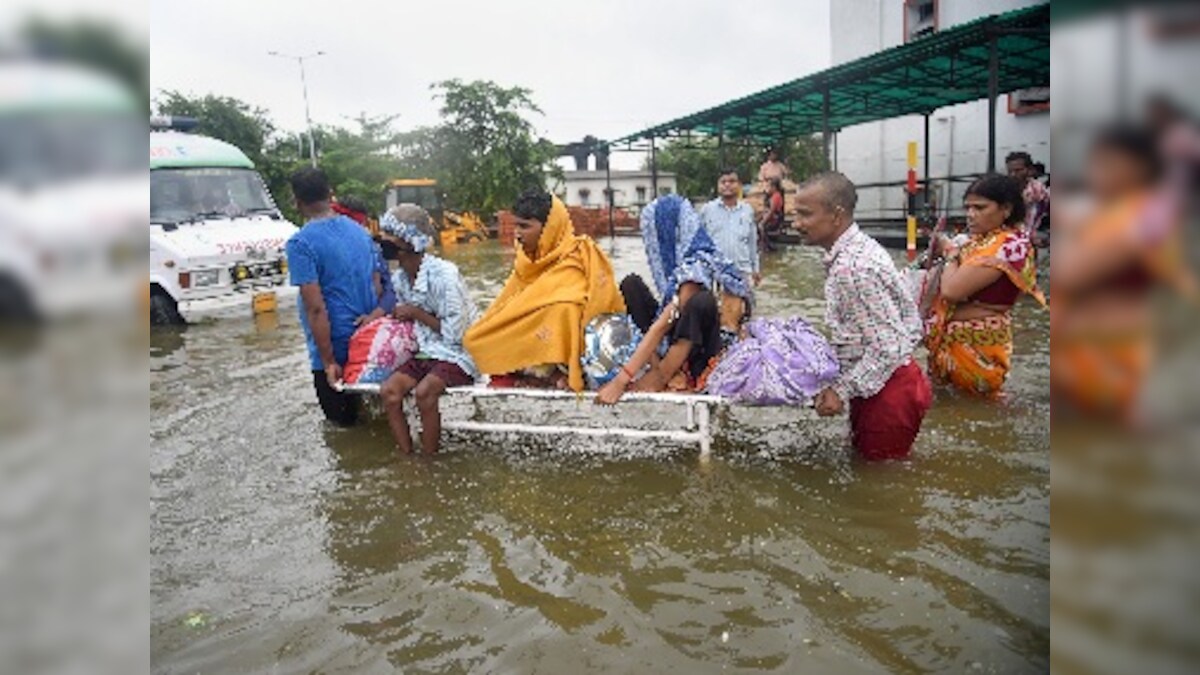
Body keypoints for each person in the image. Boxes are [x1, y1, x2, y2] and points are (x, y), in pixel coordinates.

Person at [1052, 126, 1195, 423]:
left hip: (1110, 344)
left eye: (1107, 164)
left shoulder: (1140, 216)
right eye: (1094, 163)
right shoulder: (1113, 213)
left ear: (1140, 167)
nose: (1096, 173)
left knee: (1110, 427)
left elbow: (1071, 274)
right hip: (1094, 342)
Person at [792, 171, 931, 461]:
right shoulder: (859, 250)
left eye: (805, 215)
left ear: (836, 216)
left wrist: (840, 391)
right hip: (888, 382)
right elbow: (907, 326)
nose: (797, 224)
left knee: (880, 487)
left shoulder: (852, 270)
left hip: (888, 391)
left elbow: (887, 347)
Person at [596, 194, 752, 404]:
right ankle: (661, 365)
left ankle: (669, 373)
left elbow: (661, 326)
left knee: (701, 302)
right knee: (631, 285)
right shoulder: (679, 268)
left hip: (707, 348)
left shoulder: (696, 267)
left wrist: (622, 380)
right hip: (678, 333)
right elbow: (664, 319)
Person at [464, 189, 624, 391]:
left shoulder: (578, 256)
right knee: (475, 338)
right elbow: (509, 305)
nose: (517, 233)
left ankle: (561, 371)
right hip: (535, 349)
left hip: (581, 353)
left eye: (525, 226)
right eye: (516, 226)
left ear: (550, 227)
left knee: (564, 308)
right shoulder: (526, 260)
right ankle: (532, 367)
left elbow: (589, 304)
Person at [925, 174, 1046, 397]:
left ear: (1006, 209)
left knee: (980, 405)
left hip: (977, 345)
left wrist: (950, 252)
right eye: (968, 208)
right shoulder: (983, 240)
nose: (971, 215)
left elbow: (952, 291)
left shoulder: (1008, 245)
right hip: (956, 341)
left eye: (980, 208)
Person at [376, 204, 478, 454]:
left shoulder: (445, 276)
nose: (386, 248)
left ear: (411, 245)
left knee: (424, 393)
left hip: (459, 353)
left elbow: (456, 335)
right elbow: (411, 326)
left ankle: (429, 461)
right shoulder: (400, 279)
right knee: (389, 392)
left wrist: (416, 313)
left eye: (391, 243)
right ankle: (407, 456)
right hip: (425, 351)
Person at [285, 167, 380, 426]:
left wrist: (327, 362)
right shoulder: (361, 232)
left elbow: (315, 308)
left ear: (296, 201)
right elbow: (377, 284)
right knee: (377, 420)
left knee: (343, 431)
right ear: (331, 194)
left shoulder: (300, 244)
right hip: (369, 341)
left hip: (334, 347)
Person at [700, 168, 761, 286]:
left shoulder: (747, 210)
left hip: (742, 271)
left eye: (732, 181)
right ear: (718, 185)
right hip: (715, 271)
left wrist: (755, 269)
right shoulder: (707, 210)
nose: (727, 185)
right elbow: (700, 242)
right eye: (723, 182)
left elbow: (752, 243)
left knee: (745, 303)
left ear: (739, 185)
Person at [1006, 151, 1050, 239]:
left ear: (1029, 170)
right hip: (1007, 240)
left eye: (1018, 170)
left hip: (1030, 239)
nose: (1013, 174)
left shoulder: (1038, 190)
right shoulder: (1004, 190)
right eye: (1010, 171)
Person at [759, 177, 785, 253]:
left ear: (774, 187)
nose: (767, 188)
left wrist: (762, 223)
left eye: (768, 186)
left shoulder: (776, 197)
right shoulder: (773, 196)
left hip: (773, 221)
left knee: (760, 228)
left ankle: (766, 248)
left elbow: (771, 211)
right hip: (772, 219)